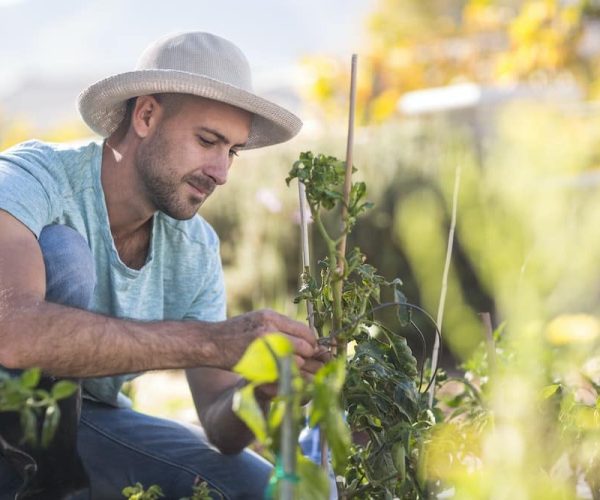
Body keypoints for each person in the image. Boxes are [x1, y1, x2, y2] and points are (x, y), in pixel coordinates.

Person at [0, 31, 327, 499]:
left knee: (253, 488)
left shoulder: (193, 248)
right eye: (207, 141)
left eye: (230, 151)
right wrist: (211, 342)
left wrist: (265, 389)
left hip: (82, 425)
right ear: (147, 115)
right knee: (64, 255)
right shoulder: (31, 179)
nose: (222, 172)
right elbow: (11, 332)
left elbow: (218, 420)